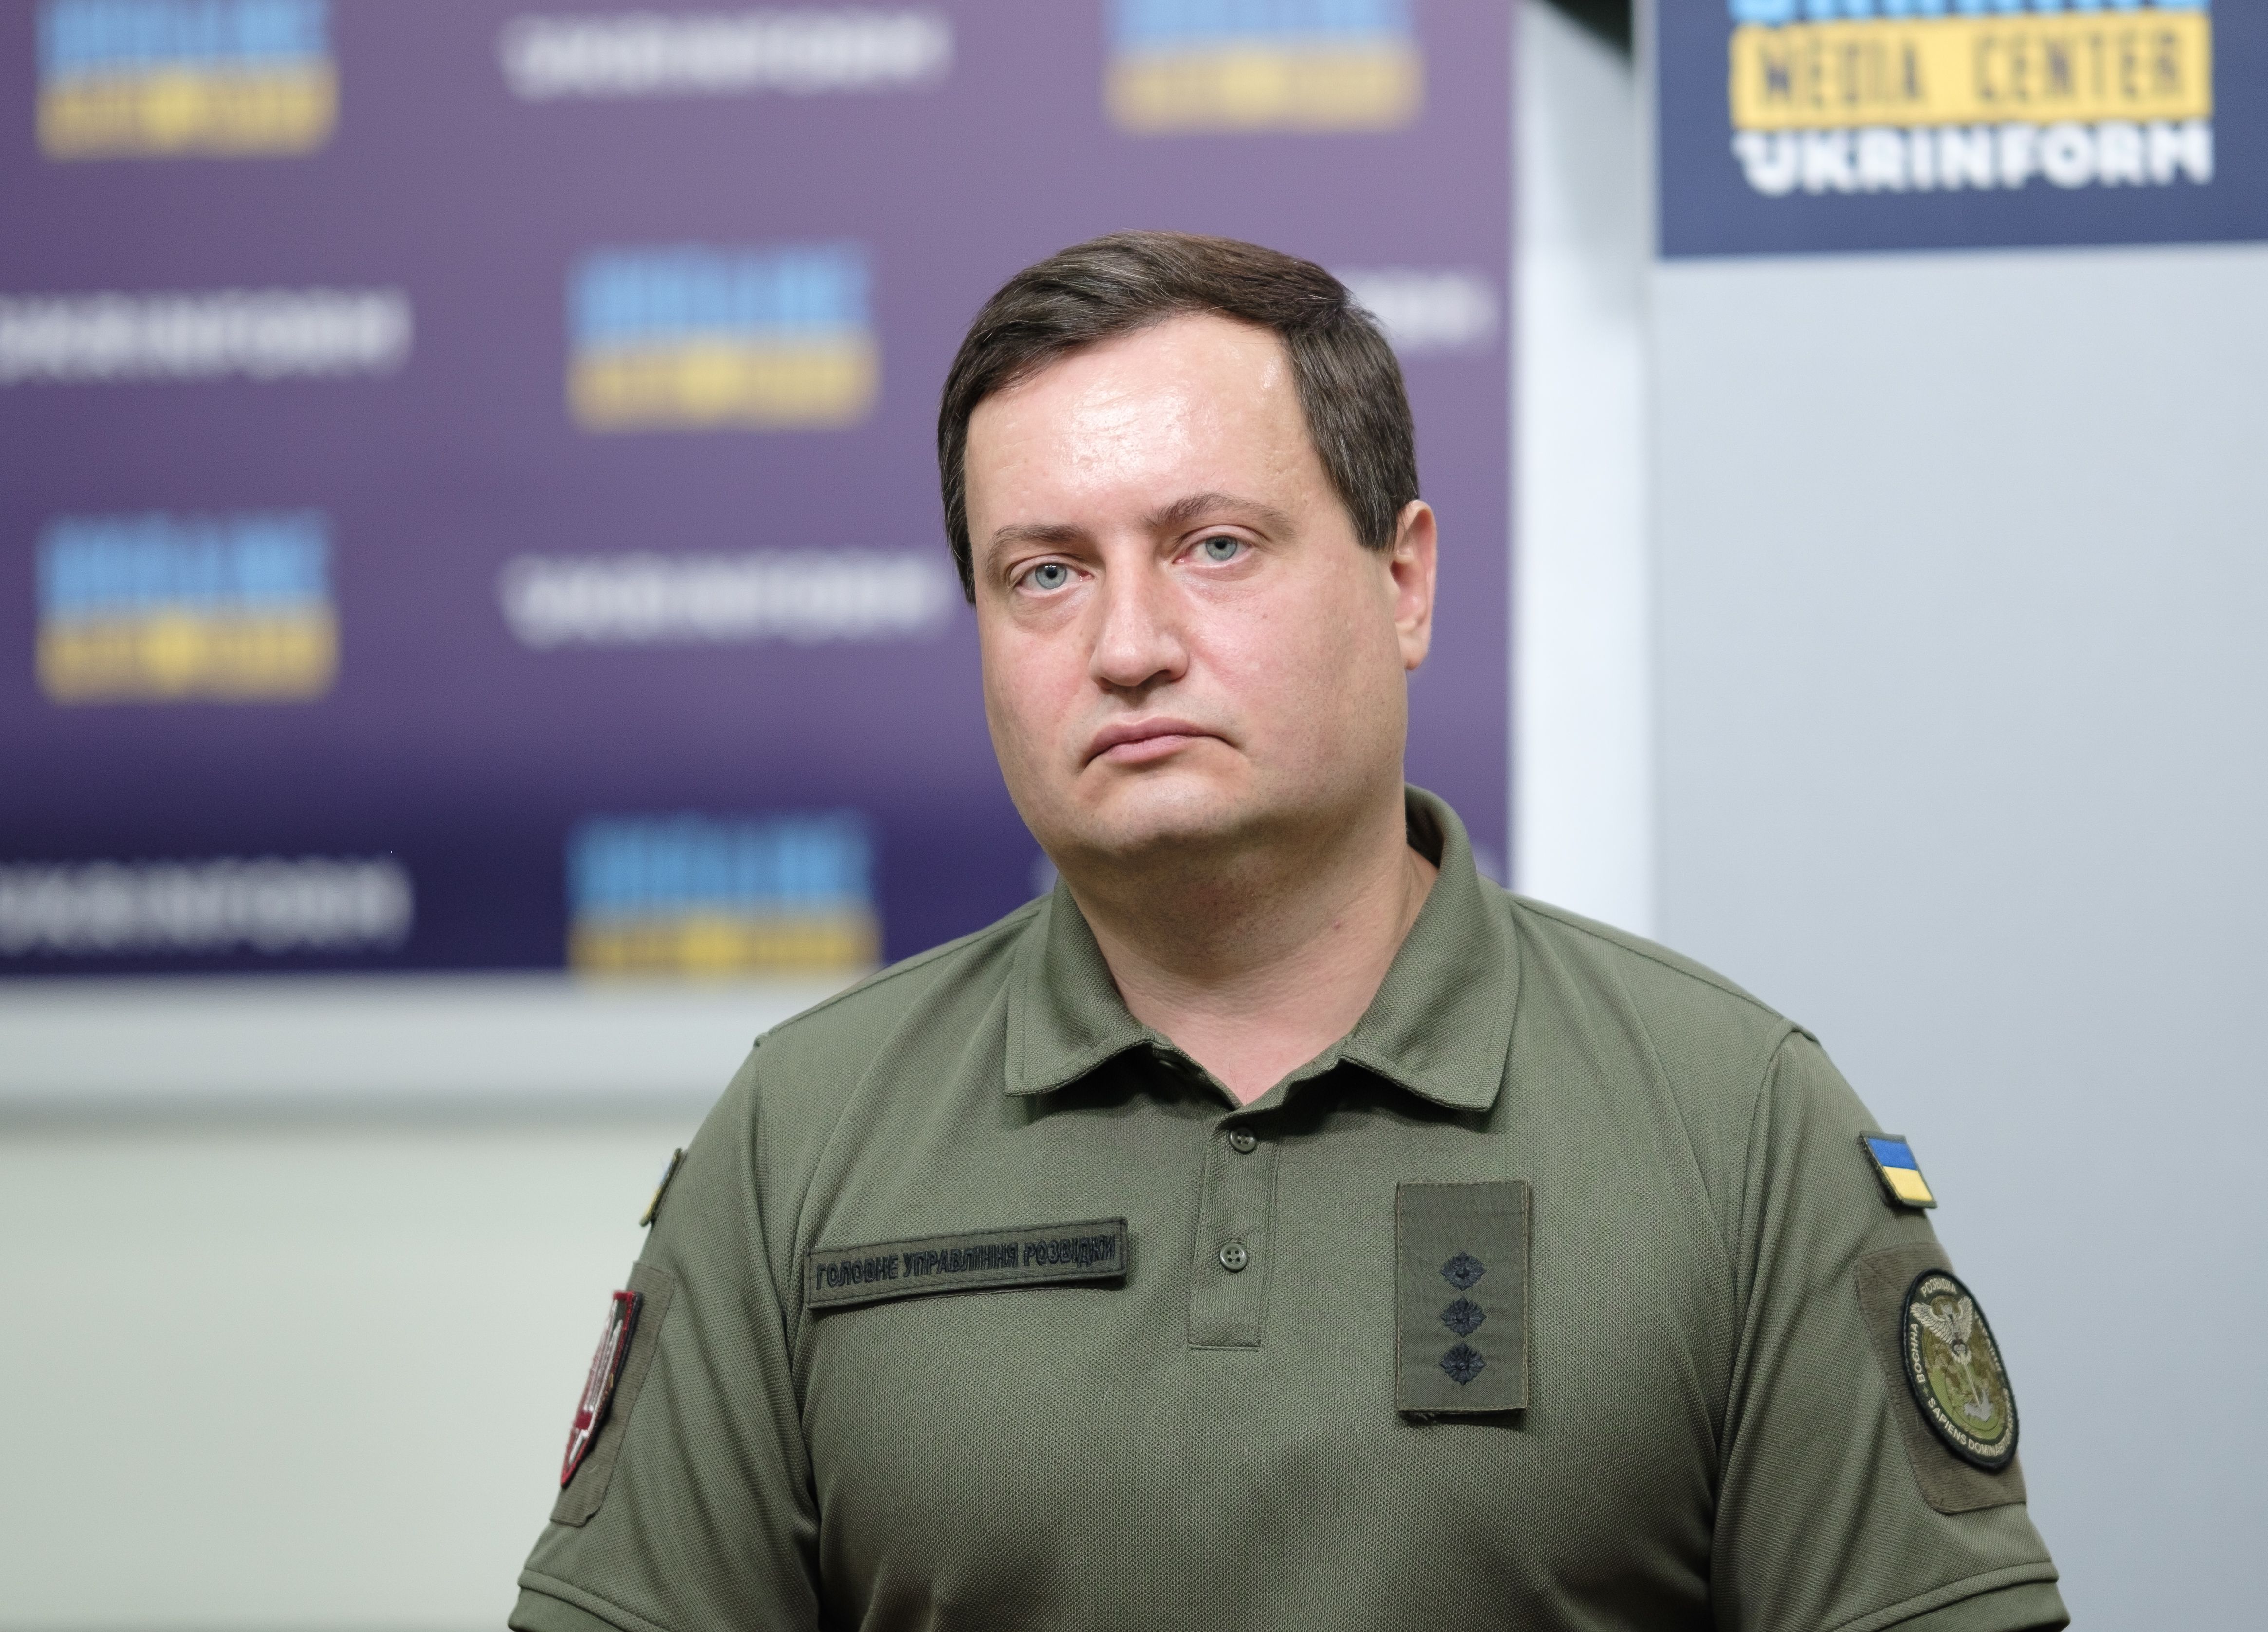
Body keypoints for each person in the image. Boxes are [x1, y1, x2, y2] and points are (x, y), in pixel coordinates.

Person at [509, 231, 2065, 1632]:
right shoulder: (803, 1132)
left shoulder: (1733, 1119)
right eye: (1044, 573)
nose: (1128, 647)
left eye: (1214, 546)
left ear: (1404, 581)